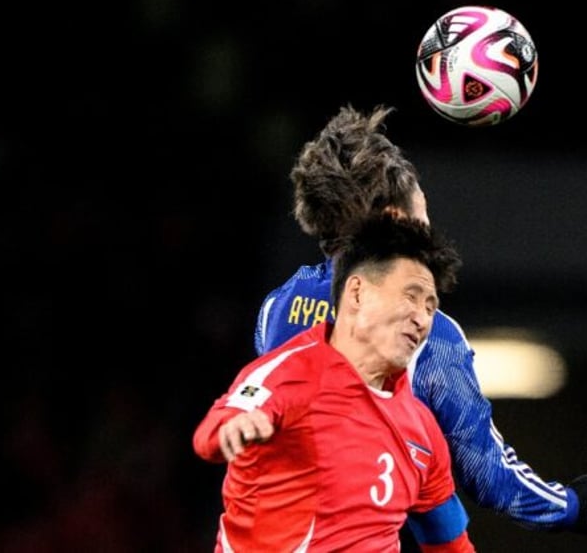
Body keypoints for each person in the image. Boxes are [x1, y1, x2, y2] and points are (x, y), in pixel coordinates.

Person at [254, 104, 587, 538]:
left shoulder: (276, 310)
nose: (429, 223)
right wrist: (575, 506)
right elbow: (488, 474)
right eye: (422, 209)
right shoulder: (425, 337)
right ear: (396, 219)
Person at [193, 214, 475, 552]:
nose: (422, 318)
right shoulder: (290, 375)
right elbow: (213, 431)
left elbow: (449, 542)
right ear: (357, 293)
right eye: (411, 297)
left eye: (431, 307)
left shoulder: (423, 429)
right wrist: (232, 429)